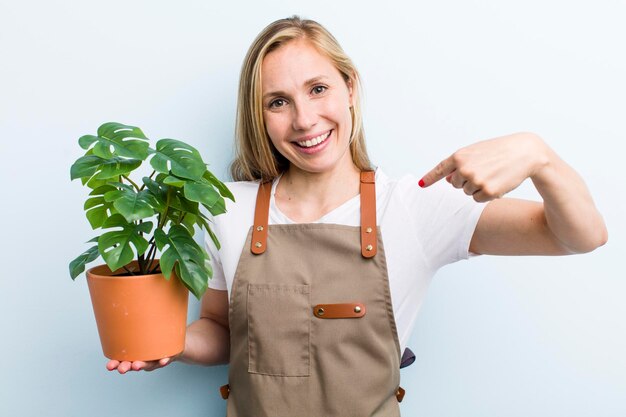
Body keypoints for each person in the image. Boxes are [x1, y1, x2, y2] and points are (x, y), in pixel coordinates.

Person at [106, 16, 607, 416]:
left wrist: (539, 155)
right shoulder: (227, 209)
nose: (304, 119)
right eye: (278, 102)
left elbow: (579, 236)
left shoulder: (414, 207)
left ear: (350, 87)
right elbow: (222, 331)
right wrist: (166, 343)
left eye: (318, 89)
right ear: (259, 117)